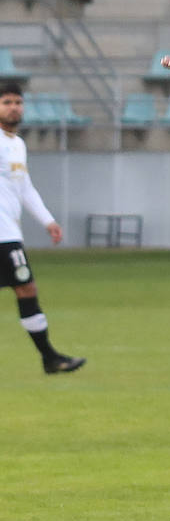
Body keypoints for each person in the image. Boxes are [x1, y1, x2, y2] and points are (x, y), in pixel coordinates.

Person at [0, 82, 85, 375]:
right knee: (26, 288)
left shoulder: (17, 144)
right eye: (7, 102)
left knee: (26, 289)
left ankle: (50, 358)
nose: (14, 107)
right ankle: (50, 358)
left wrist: (47, 220)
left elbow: (24, 189)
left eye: (18, 102)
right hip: (3, 238)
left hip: (9, 235)